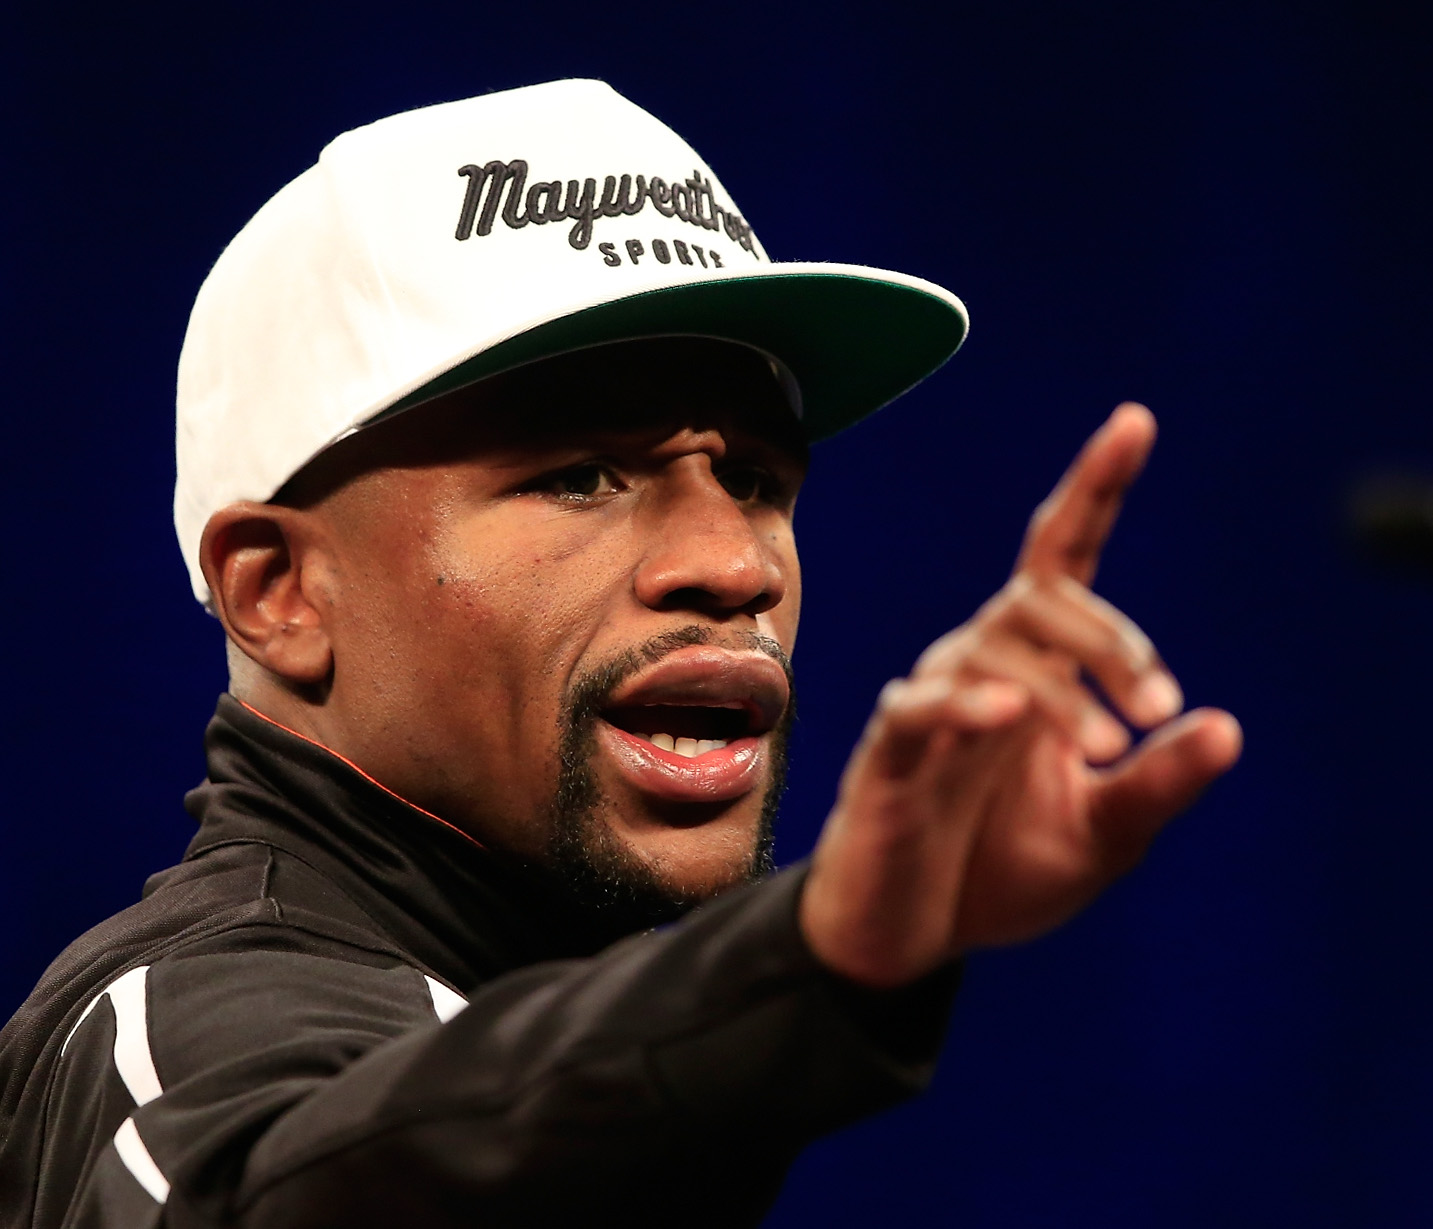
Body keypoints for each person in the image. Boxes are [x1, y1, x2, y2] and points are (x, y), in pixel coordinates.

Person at [0, 79, 1241, 1226]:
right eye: (579, 474)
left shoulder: (549, 1051)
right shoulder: (183, 1033)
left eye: (756, 477)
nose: (734, 563)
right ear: (279, 593)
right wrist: (811, 956)